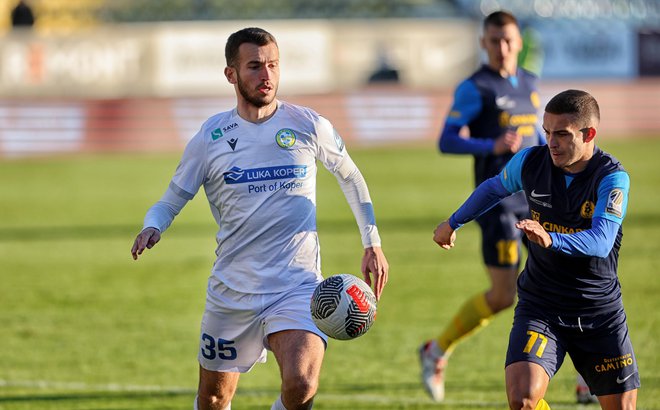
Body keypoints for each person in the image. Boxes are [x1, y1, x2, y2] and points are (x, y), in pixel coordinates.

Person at [130, 27, 389, 410]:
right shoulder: (211, 137)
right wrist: (154, 225)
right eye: (254, 66)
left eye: (272, 65)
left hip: (297, 285)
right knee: (215, 399)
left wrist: (372, 242)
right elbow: (170, 200)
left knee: (301, 385)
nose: (266, 75)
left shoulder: (307, 124)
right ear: (231, 74)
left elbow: (349, 175)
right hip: (233, 291)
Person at [433, 89, 639, 409]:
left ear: (589, 134)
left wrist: (551, 239)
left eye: (561, 134)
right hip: (542, 305)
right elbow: (492, 188)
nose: (551, 142)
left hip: (598, 311)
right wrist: (453, 222)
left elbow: (601, 242)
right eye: (546, 132)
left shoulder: (611, 178)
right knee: (523, 399)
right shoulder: (531, 162)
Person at [419, 10, 545, 401]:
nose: (502, 48)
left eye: (508, 40)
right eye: (494, 41)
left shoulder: (530, 83)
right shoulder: (476, 87)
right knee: (504, 296)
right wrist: (488, 146)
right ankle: (436, 350)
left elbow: (539, 136)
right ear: (483, 43)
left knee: (558, 285)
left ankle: (584, 376)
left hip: (538, 203)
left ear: (519, 42)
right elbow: (446, 140)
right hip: (499, 206)